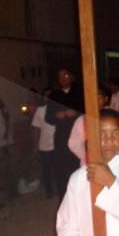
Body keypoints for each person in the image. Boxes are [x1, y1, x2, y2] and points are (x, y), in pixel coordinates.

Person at [46, 68, 84, 199]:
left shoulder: (80, 93)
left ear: (72, 77)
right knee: (61, 167)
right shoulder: (54, 95)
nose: (63, 79)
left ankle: (80, 195)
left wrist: (76, 113)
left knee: (78, 166)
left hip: (79, 136)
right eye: (60, 77)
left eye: (66, 75)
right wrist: (57, 115)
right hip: (61, 137)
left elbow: (89, 112)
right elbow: (48, 117)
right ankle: (64, 196)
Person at [31, 88, 57, 198]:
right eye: (46, 96)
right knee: (47, 169)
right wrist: (35, 146)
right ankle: (49, 191)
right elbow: (37, 129)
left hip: (58, 144)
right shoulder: (40, 110)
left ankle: (59, 189)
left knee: (58, 168)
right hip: (44, 145)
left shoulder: (59, 110)